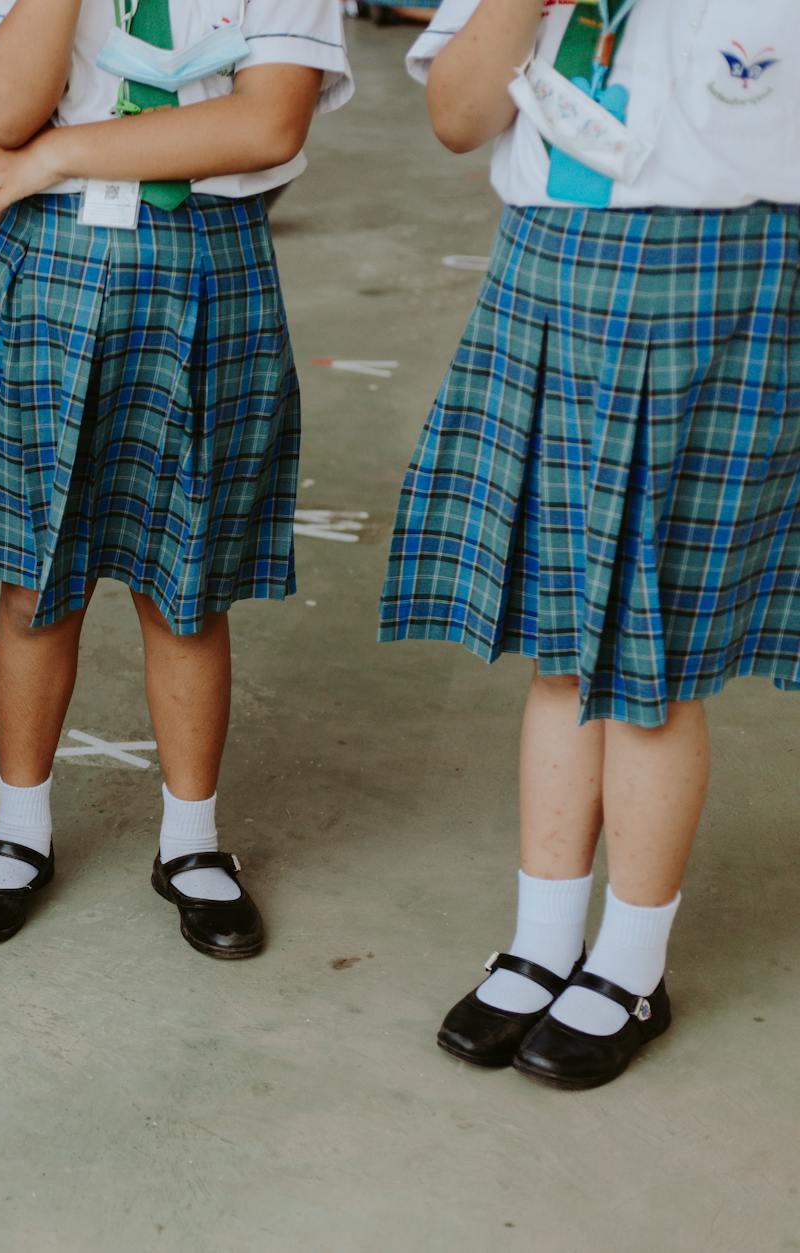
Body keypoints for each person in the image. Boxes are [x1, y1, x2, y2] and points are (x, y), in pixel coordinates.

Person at [382, 0, 799, 1089]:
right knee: (562, 642)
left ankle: (628, 961)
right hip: (551, 270)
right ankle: (541, 937)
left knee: (654, 658)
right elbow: (455, 116)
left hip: (722, 282)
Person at [0, 0, 351, 956]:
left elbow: (267, 121)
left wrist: (65, 154)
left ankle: (192, 841)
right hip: (49, 253)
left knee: (186, 582)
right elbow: (5, 110)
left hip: (207, 251)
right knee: (38, 575)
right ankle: (19, 827)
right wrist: (41, 152)